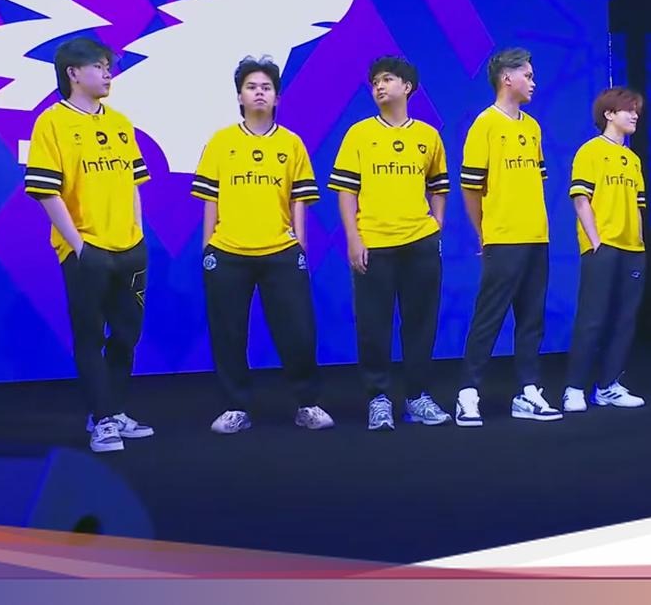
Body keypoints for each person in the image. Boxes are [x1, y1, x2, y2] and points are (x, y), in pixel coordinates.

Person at [24, 37, 154, 453]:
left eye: (108, 66)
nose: (107, 73)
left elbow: (133, 183)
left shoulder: (120, 123)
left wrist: (137, 233)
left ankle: (113, 409)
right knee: (90, 334)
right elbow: (47, 191)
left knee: (127, 334)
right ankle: (102, 419)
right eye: (98, 66)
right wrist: (80, 247)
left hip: (129, 246)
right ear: (73, 73)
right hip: (86, 250)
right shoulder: (51, 123)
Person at [192, 55, 334, 434]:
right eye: (251, 87)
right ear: (239, 96)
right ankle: (235, 407)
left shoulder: (291, 144)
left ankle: (307, 403)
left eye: (266, 88)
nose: (259, 93)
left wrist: (299, 245)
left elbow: (299, 199)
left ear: (277, 98)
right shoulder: (221, 142)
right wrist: (208, 248)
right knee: (228, 335)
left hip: (280, 252)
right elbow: (211, 198)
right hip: (228, 252)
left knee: (299, 333)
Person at [330, 56, 452, 431]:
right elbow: (346, 191)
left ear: (407, 87)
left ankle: (417, 397)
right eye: (374, 82)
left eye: (387, 79)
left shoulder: (428, 136)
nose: (379, 87)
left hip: (420, 244)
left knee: (421, 324)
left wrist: (436, 224)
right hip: (374, 243)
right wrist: (354, 238)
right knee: (373, 326)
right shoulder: (359, 134)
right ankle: (378, 399)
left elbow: (439, 185)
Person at [456, 48, 561, 427]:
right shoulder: (484, 125)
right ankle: (467, 393)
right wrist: (484, 233)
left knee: (532, 318)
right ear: (506, 78)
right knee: (489, 318)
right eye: (527, 76)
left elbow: (536, 181)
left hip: (537, 237)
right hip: (502, 238)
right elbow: (470, 188)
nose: (533, 82)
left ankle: (528, 391)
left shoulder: (532, 128)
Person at [561, 87, 648, 413]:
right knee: (592, 319)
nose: (634, 115)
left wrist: (639, 243)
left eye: (636, 110)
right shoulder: (591, 151)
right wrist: (595, 240)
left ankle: (609, 385)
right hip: (603, 246)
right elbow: (581, 199)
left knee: (625, 320)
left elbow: (638, 205)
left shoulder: (633, 160)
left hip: (632, 249)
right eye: (628, 109)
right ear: (609, 114)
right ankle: (574, 388)